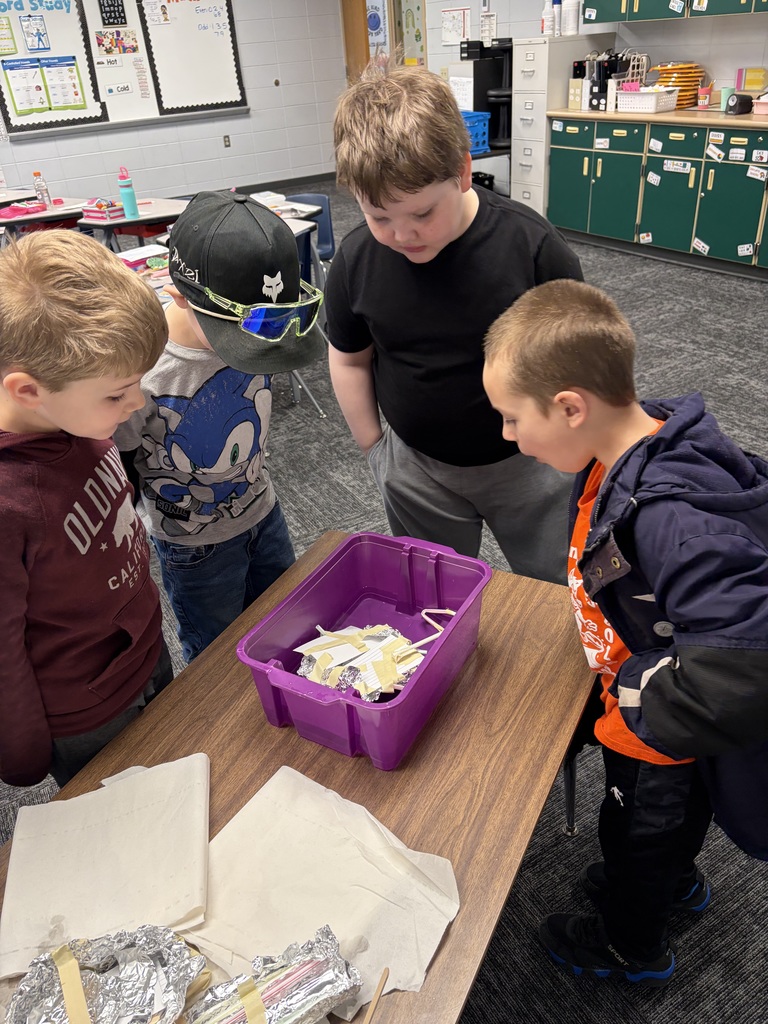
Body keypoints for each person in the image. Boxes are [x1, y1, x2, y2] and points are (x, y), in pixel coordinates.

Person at [482, 278, 768, 986]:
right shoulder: (636, 445)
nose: (508, 435)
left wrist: (640, 699)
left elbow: (749, 659)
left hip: (652, 730)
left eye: (514, 418)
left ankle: (630, 945)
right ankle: (673, 881)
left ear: (570, 407)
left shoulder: (669, 515)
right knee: (666, 828)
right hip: (659, 708)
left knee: (635, 833)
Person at [324, 61, 583, 585]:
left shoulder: (530, 246)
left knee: (560, 591)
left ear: (463, 172)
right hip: (418, 470)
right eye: (379, 217)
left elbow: (580, 363)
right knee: (436, 596)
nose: (402, 234)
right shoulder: (356, 261)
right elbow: (350, 357)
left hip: (532, 468)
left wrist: (573, 450)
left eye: (422, 214)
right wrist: (376, 450)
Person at [116, 191, 327, 662]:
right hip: (194, 547)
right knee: (216, 659)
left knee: (288, 627)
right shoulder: (143, 373)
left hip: (262, 511)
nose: (260, 345)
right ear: (178, 298)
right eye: (243, 336)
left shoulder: (261, 328)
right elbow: (124, 467)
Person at [0, 230, 172, 789]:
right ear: (27, 391)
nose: (138, 403)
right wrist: (23, 750)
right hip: (87, 712)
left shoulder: (75, 414)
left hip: (143, 651)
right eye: (118, 394)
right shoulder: (10, 501)